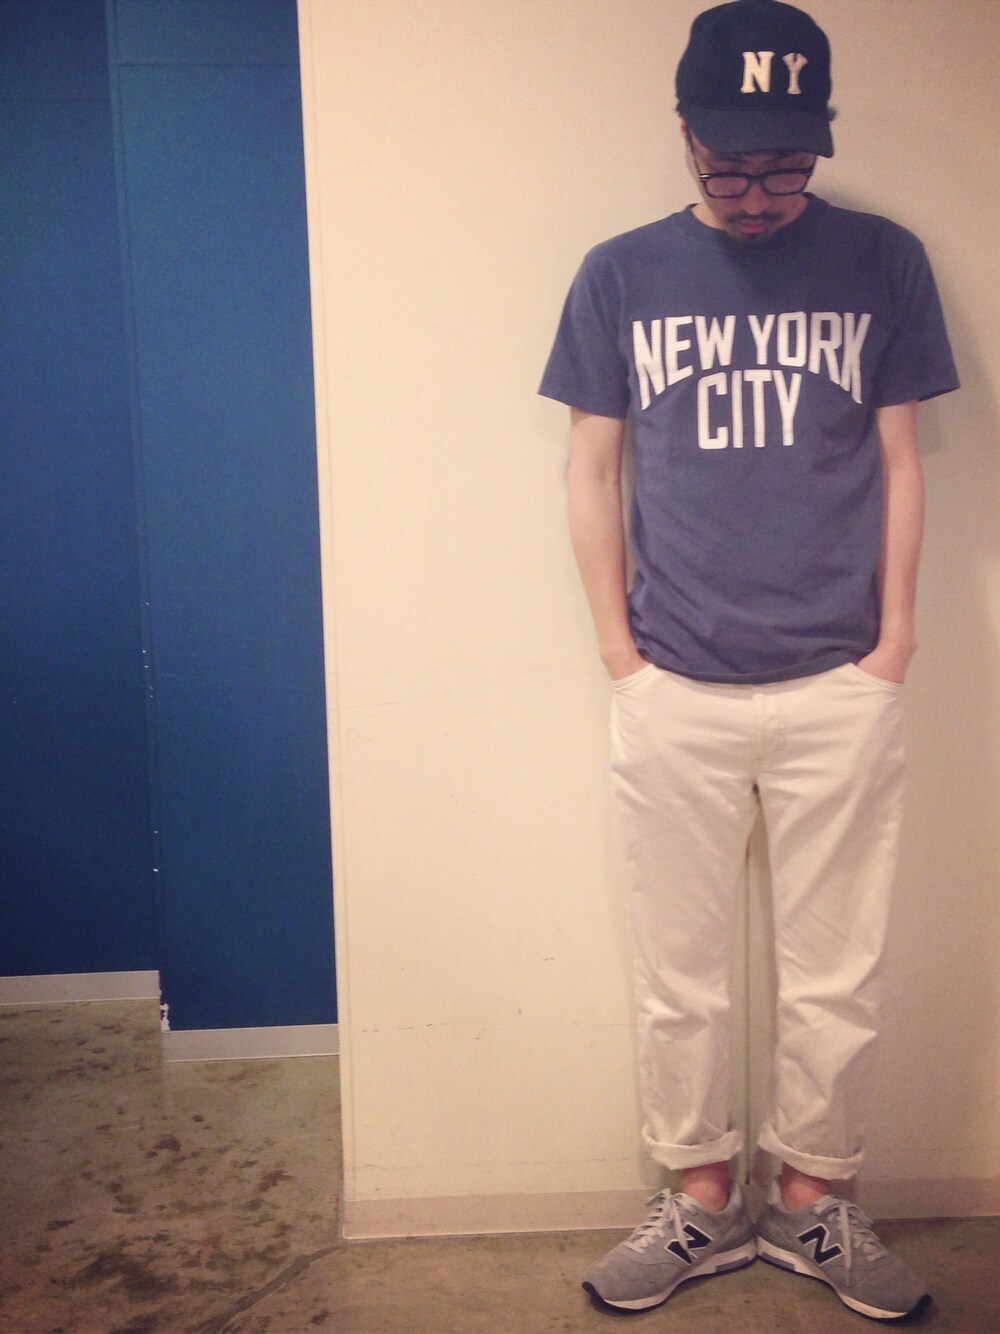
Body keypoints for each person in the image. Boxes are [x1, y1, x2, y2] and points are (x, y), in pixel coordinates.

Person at [539, 0, 959, 1321]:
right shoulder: (620, 275)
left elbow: (901, 459)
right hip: (675, 680)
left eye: (788, 165)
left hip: (841, 679)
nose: (763, 194)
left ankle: (813, 1199)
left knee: (839, 969)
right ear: (686, 137)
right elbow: (591, 467)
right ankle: (702, 1197)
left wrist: (894, 644)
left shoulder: (885, 261)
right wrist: (621, 654)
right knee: (681, 972)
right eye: (734, 168)